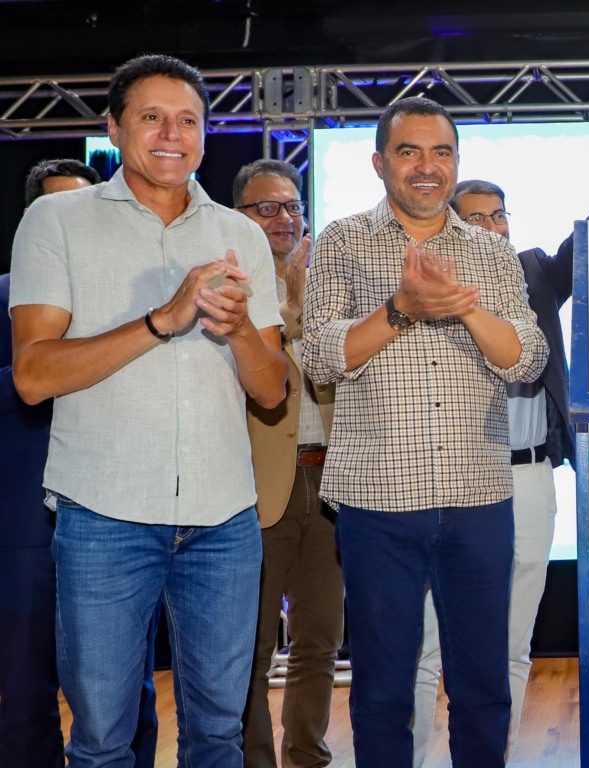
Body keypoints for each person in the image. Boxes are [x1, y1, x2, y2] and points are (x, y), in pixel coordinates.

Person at [9, 54, 287, 768]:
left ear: (205, 134)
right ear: (114, 127)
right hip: (103, 516)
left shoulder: (242, 235)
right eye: (152, 117)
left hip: (224, 520)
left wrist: (241, 329)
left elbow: (271, 391)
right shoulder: (56, 221)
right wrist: (163, 319)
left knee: (219, 735)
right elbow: (33, 376)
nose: (172, 134)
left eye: (188, 120)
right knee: (102, 740)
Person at [301, 96, 547, 768]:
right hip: (377, 502)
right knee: (382, 689)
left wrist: (464, 310)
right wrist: (402, 308)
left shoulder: (490, 252)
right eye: (408, 151)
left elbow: (527, 358)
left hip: (478, 497)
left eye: (441, 152)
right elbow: (319, 356)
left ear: (456, 162)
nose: (427, 166)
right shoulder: (343, 241)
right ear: (379, 162)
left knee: (483, 688)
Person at [410, 124, 589, 766]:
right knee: (424, 645)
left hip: (527, 477)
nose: (492, 227)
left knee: (511, 643)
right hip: (445, 480)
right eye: (477, 217)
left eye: (500, 215)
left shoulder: (535, 273)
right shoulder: (420, 284)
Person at [1, 159, 159, 768]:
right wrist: (44, 366)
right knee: (24, 691)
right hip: (26, 523)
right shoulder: (4, 297)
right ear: (31, 220)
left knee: (129, 689)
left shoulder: (135, 305)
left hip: (117, 508)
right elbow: (25, 382)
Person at [234, 159, 342, 768]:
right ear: (239, 216)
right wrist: (293, 307)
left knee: (320, 638)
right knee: (250, 649)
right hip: (258, 485)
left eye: (293, 206)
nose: (284, 218)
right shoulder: (230, 286)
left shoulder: (328, 282)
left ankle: (307, 757)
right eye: (267, 208)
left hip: (330, 481)